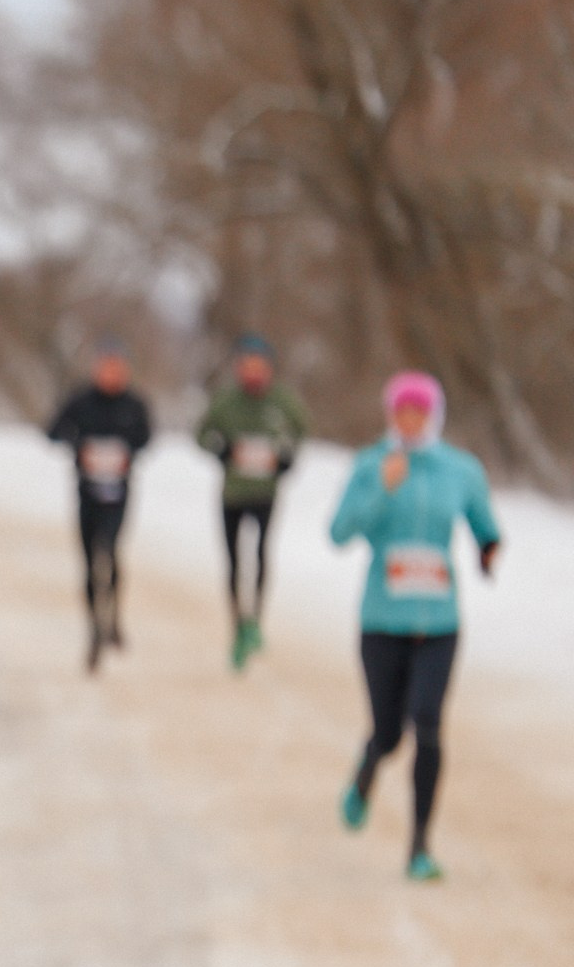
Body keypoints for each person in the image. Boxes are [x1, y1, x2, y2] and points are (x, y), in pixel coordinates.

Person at [330, 371, 499, 882]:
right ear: (390, 415)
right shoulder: (371, 465)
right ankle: (366, 770)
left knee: (427, 723)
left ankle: (419, 846)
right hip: (383, 622)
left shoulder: (459, 470)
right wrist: (382, 490)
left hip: (440, 624)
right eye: (402, 411)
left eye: (419, 411)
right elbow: (340, 532)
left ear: (434, 416)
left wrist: (488, 549)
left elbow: (483, 523)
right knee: (388, 732)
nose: (410, 420)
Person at [196, 333, 309, 669]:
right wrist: (223, 450)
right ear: (238, 369)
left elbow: (302, 429)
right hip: (232, 493)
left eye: (260, 367)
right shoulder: (227, 401)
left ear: (270, 370)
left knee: (260, 554)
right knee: (233, 561)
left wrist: (286, 458)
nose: (254, 373)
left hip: (266, 493)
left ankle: (255, 619)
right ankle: (236, 625)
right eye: (248, 367)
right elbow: (202, 433)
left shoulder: (282, 401)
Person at [46, 340, 154, 670]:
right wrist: (79, 446)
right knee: (90, 558)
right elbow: (52, 431)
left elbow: (146, 436)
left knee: (110, 550)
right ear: (96, 369)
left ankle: (114, 616)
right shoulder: (80, 400)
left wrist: (126, 452)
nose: (112, 375)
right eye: (106, 367)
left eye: (117, 369)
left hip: (118, 493)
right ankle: (95, 626)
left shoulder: (134, 404)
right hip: (87, 491)